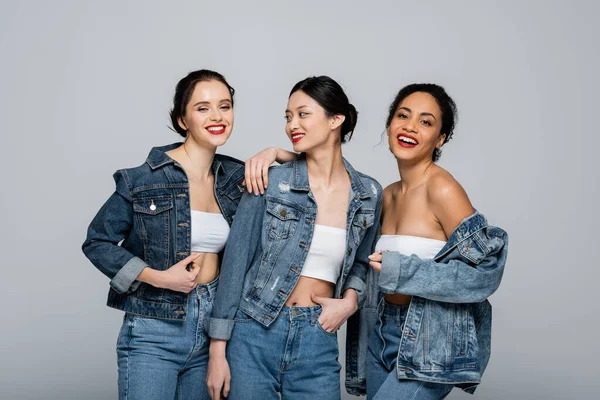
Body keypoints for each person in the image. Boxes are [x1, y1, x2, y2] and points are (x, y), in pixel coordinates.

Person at [81, 69, 295, 400]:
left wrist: (275, 153)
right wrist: (157, 277)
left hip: (216, 331)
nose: (217, 116)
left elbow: (316, 174)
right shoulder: (142, 179)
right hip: (156, 327)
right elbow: (97, 242)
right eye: (202, 108)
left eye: (225, 106)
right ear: (182, 119)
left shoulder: (238, 179)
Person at [206, 76, 383, 400]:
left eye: (303, 114)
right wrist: (218, 351)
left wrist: (350, 301)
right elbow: (235, 263)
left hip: (318, 336)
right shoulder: (270, 181)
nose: (292, 125)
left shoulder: (368, 194)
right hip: (254, 331)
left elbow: (363, 263)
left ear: (336, 119)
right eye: (288, 117)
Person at [344, 83, 508, 399]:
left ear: (440, 138)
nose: (410, 127)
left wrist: (402, 270)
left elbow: (485, 272)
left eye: (426, 121)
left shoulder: (443, 189)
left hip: (429, 340)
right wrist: (286, 157)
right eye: (402, 116)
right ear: (390, 124)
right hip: (381, 332)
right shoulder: (387, 195)